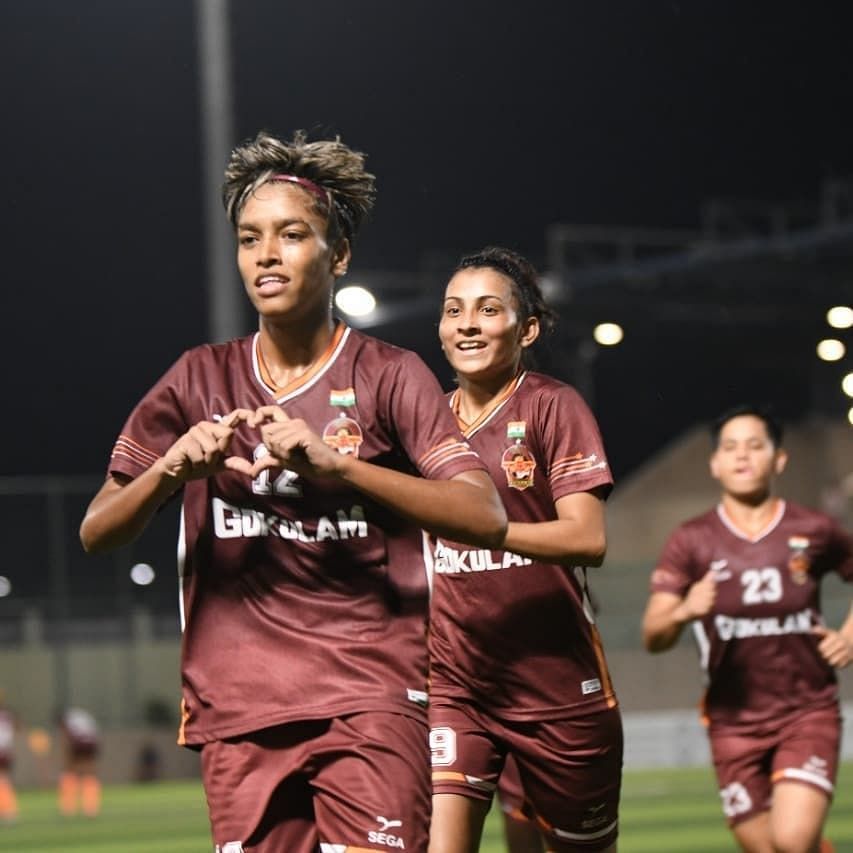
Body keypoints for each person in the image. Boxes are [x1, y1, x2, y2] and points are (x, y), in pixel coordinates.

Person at [79, 130, 507, 852]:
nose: (266, 254)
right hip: (238, 706)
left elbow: (483, 514)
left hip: (369, 698)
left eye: (290, 235)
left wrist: (341, 469)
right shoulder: (196, 378)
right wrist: (170, 471)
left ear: (336, 255)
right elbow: (97, 530)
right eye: (249, 239)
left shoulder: (388, 373)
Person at [427, 247, 622, 853]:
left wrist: (492, 531)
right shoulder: (423, 420)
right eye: (453, 310)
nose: (467, 324)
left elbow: (587, 539)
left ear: (527, 328)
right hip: (457, 685)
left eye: (488, 310)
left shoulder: (552, 405)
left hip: (557, 688)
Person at [642, 404, 853, 853]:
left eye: (755, 446)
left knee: (793, 839)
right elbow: (653, 635)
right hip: (732, 724)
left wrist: (850, 635)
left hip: (807, 711)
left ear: (778, 459)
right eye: (731, 448)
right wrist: (683, 611)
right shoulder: (691, 539)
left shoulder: (813, 529)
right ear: (715, 463)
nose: (743, 456)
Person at [57, 706, 101, 817]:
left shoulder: (67, 719)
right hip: (92, 742)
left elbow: (66, 736)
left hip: (78, 742)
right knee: (89, 772)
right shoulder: (82, 715)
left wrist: (66, 756)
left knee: (70, 771)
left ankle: (68, 807)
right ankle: (91, 808)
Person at [0, 691, 18, 824]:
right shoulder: (7, 716)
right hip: (6, 751)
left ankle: (8, 812)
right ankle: (9, 811)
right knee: (4, 780)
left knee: (2, 780)